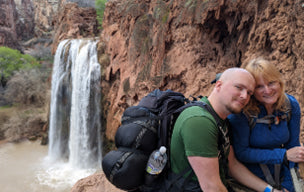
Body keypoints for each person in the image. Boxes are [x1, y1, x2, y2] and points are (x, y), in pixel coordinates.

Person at [169, 67, 282, 192]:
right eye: (239, 87)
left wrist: (270, 190)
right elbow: (212, 187)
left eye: (249, 93)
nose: (244, 96)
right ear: (218, 85)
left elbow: (233, 166)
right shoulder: (199, 121)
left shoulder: (221, 119)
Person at [228, 58, 304, 192]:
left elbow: (294, 148)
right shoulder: (242, 113)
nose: (267, 91)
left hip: (282, 176)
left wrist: (288, 187)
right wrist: (283, 155)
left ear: (279, 82)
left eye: (271, 83)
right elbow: (242, 152)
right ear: (251, 90)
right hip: (252, 181)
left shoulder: (290, 105)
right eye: (259, 87)